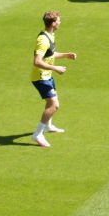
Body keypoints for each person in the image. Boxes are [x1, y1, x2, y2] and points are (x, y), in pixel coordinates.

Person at [30, 10, 77, 148]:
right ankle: (38, 134)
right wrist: (56, 69)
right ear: (53, 23)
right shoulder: (43, 40)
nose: (60, 22)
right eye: (58, 20)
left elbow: (49, 54)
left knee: (50, 102)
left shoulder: (50, 35)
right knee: (54, 105)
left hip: (47, 76)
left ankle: (48, 126)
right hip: (40, 77)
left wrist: (65, 55)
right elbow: (37, 61)